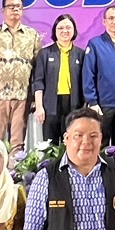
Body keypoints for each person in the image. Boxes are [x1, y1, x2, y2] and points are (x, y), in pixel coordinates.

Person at [0, 0, 42, 148]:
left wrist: (35, 98)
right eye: (11, 6)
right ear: (3, 11)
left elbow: (38, 69)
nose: (15, 9)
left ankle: (15, 165)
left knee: (18, 144)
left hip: (22, 98)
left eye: (18, 7)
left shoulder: (32, 35)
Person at [83, 5, 115, 145]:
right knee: (102, 144)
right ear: (104, 21)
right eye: (111, 18)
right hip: (103, 104)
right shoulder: (95, 44)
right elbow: (88, 74)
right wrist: (92, 101)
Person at [31, 14, 87, 145]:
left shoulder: (81, 54)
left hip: (74, 105)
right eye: (60, 28)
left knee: (73, 141)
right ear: (55, 31)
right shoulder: (45, 53)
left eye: (68, 27)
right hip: (51, 105)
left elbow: (85, 82)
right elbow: (38, 81)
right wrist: (39, 106)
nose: (65, 31)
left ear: (74, 30)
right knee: (50, 144)